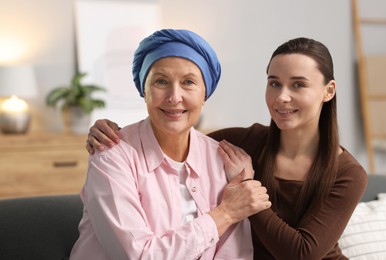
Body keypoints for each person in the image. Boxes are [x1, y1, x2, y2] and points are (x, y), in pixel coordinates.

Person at [86, 36, 368, 259]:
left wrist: (245, 190)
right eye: (274, 83)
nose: (282, 97)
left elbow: (302, 253)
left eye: (298, 85)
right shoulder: (240, 144)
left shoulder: (347, 173)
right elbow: (178, 134)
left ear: (328, 91)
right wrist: (109, 131)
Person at [70, 29, 272, 260]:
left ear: (205, 92)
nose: (174, 97)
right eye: (161, 81)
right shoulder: (110, 155)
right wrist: (225, 213)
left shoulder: (223, 159)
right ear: (143, 91)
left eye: (188, 82)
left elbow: (236, 255)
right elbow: (139, 256)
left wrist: (245, 183)